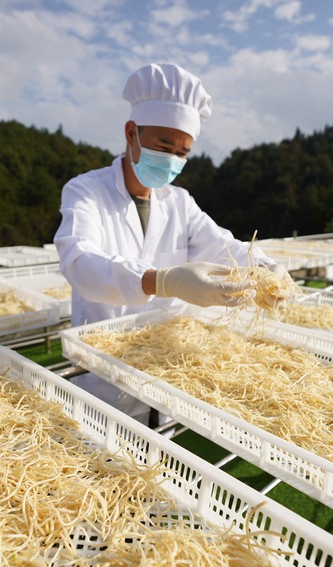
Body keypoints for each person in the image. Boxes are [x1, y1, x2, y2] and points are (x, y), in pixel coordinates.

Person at [54, 62, 282, 426]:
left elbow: (221, 244)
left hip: (165, 366)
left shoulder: (179, 202)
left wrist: (268, 269)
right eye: (164, 145)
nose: (173, 159)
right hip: (103, 369)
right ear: (131, 134)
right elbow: (80, 261)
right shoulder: (86, 191)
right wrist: (162, 281)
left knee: (158, 455)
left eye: (183, 152)